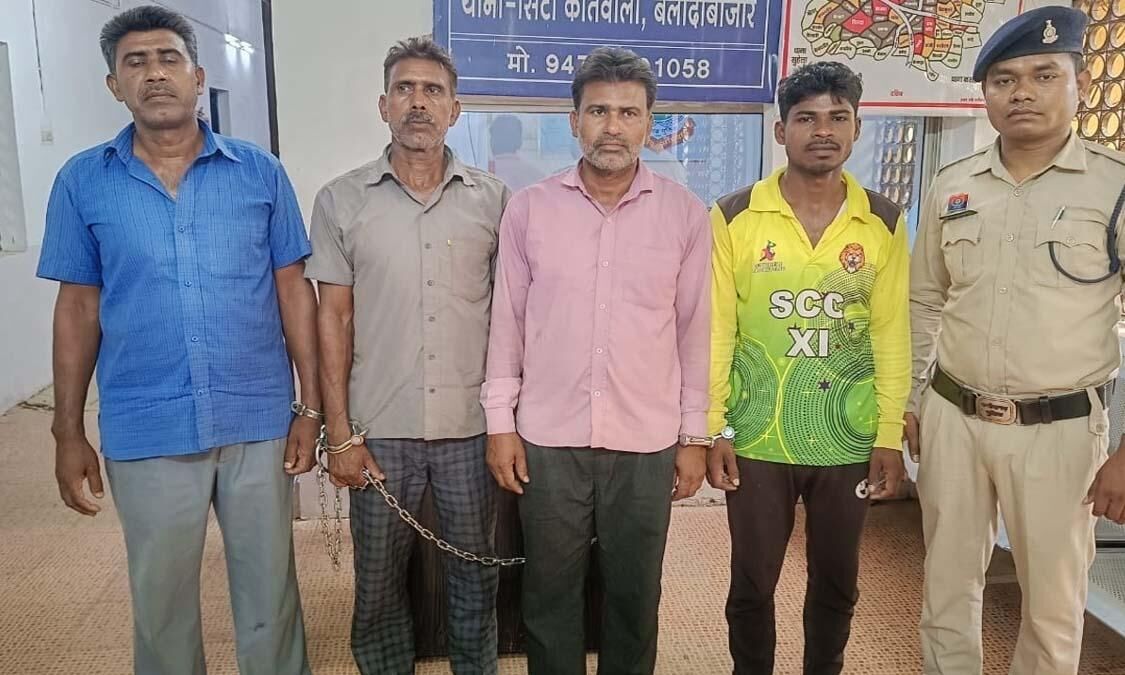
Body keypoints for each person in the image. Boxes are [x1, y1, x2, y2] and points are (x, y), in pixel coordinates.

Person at [36, 6, 318, 674]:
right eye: (135, 63)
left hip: (255, 419)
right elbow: (78, 308)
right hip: (147, 423)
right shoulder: (82, 181)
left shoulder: (260, 173)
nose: (154, 74)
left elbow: (292, 291)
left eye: (168, 59)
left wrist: (311, 407)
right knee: (161, 606)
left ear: (197, 77)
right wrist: (66, 429)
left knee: (270, 598)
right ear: (114, 85)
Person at [481, 46, 712, 674]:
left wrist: (694, 436)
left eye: (628, 113)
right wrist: (500, 422)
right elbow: (507, 325)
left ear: (648, 123)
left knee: (635, 597)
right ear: (574, 120)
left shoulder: (685, 216)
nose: (613, 126)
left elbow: (695, 332)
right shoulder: (529, 210)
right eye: (599, 111)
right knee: (548, 596)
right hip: (549, 437)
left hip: (646, 440)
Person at [908, 7, 1125, 674]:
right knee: (945, 590)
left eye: (1042, 75)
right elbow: (925, 299)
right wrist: (913, 400)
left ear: (1078, 83)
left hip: (1060, 431)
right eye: (1004, 80)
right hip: (953, 417)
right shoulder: (953, 184)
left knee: (1053, 606)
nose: (1021, 92)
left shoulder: (1114, 186)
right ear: (985, 93)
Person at [305, 36, 509, 675]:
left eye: (432, 91)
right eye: (405, 89)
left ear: (455, 108)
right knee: (378, 578)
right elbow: (332, 320)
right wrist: (339, 432)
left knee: (475, 575)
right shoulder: (341, 201)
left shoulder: (496, 201)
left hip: (469, 428)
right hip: (378, 428)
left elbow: (513, 319)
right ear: (383, 105)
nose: (418, 102)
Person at [707, 61, 910, 675]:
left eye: (837, 117)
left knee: (838, 582)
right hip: (756, 435)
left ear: (857, 128)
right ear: (781, 131)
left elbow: (890, 333)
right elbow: (717, 331)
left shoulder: (884, 221)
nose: (823, 131)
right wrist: (714, 428)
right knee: (751, 584)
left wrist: (888, 434)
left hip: (847, 435)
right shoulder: (735, 216)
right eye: (806, 118)